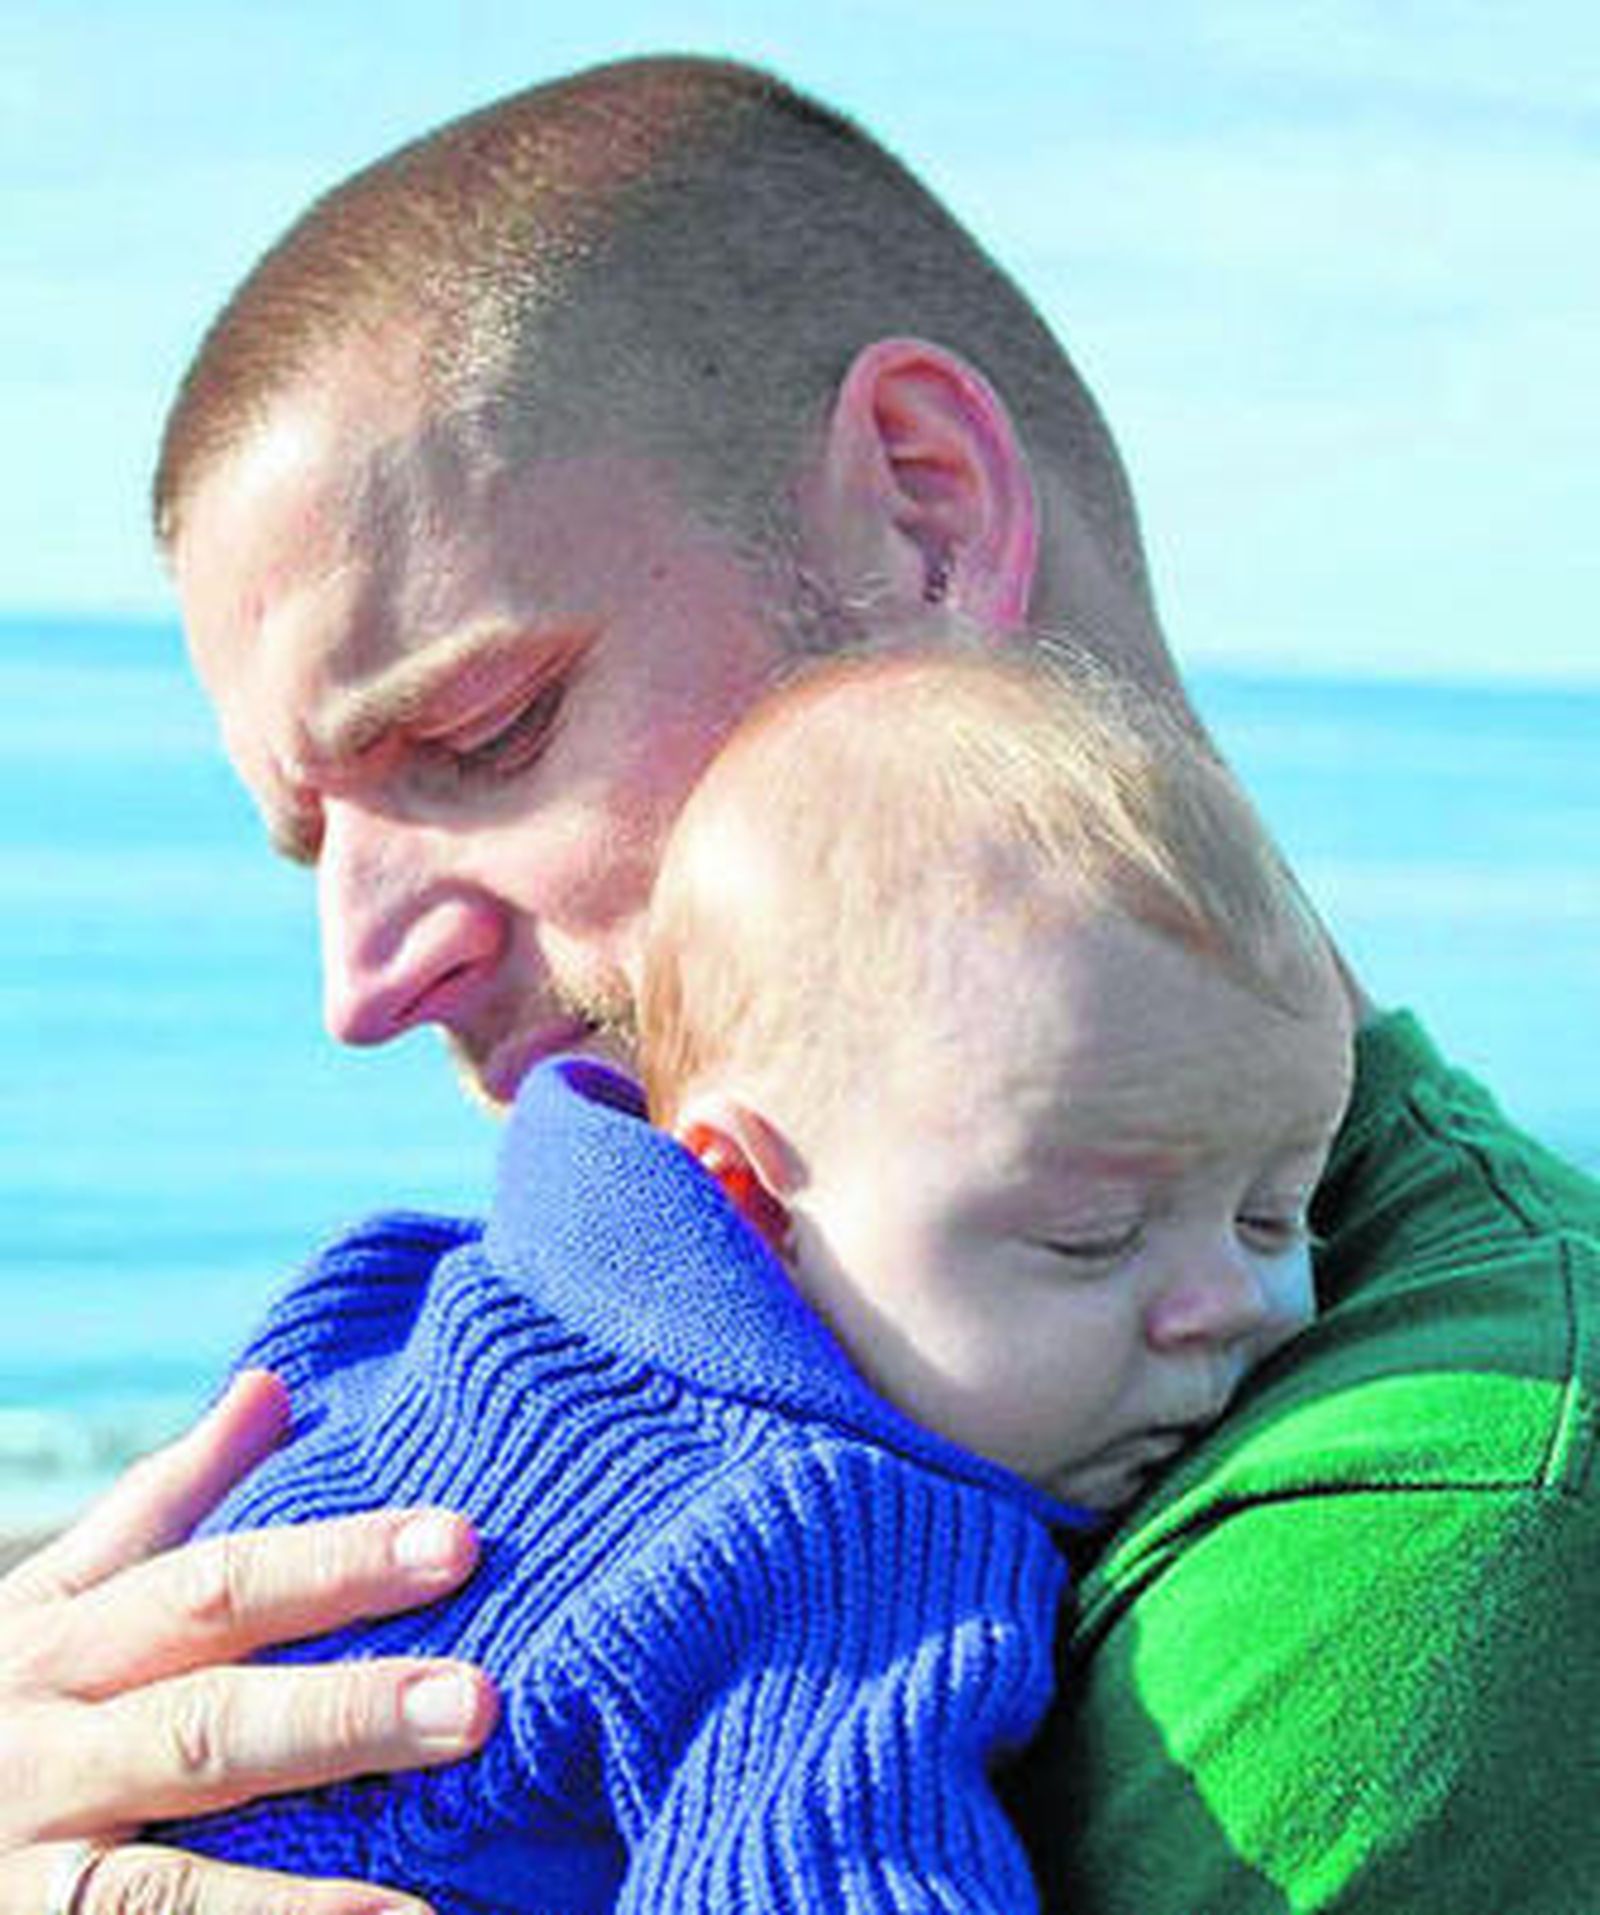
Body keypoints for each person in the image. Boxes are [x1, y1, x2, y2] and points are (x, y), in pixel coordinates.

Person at [2, 50, 1596, 1915]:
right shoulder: (702, 1296)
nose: (361, 982)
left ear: (925, 513)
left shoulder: (1424, 1535)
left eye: (489, 729)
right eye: (315, 841)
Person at [151, 643, 1354, 1911]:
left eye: (1275, 1213)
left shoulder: (385, 1295)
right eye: (1093, 1234)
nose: (1235, 1300)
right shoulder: (845, 1543)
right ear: (753, 1194)